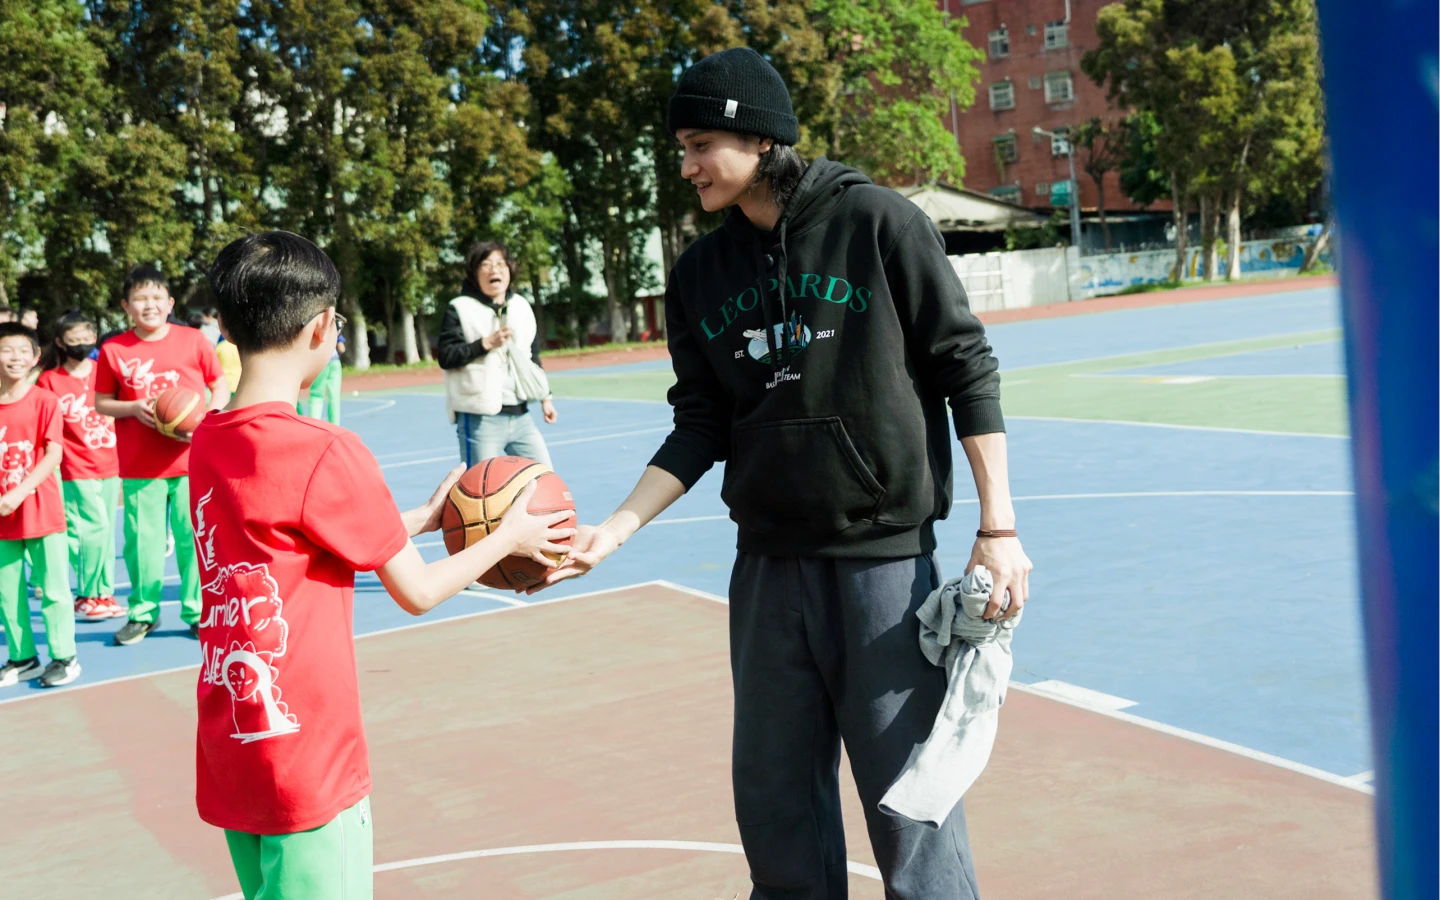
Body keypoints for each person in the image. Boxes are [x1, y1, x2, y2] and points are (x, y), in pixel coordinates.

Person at [536, 48, 1033, 899]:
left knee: (911, 808)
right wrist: (613, 532)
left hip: (881, 565)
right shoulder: (699, 274)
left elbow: (966, 366)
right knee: (776, 811)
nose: (687, 166)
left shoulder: (876, 223)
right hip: (767, 568)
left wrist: (999, 529)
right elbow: (701, 423)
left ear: (761, 139)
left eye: (700, 145)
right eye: (682, 149)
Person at [194, 230, 573, 900]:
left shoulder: (209, 441)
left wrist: (415, 521)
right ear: (322, 329)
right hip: (307, 754)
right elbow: (419, 590)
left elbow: (288, 536)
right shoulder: (325, 448)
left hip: (234, 742)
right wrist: (507, 536)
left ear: (225, 325)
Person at [95, 265, 230, 645]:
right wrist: (133, 407)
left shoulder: (194, 340)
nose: (149, 305)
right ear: (126, 306)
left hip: (192, 461)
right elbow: (102, 402)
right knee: (142, 545)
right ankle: (143, 613)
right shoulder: (114, 350)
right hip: (141, 465)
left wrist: (207, 418)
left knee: (194, 541)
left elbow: (219, 385)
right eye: (140, 298)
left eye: (156, 297)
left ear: (170, 303)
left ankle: (198, 612)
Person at [0, 322, 80, 688]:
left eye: (22, 350)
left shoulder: (44, 401)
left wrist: (20, 492)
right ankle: (23, 657)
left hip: (40, 509)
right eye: (6, 350)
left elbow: (53, 454)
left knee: (54, 589)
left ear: (35, 358)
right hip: (3, 515)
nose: (14, 357)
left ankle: (65, 657)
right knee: (7, 591)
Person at [36, 311, 124, 622]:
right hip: (74, 464)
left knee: (106, 531)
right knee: (91, 530)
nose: (82, 344)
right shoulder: (49, 380)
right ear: (61, 343)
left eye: (87, 338)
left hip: (110, 461)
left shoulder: (104, 371)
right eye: (74, 340)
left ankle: (104, 592)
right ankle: (86, 595)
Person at [437, 241, 558, 467]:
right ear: (474, 273)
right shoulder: (460, 308)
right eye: (486, 265)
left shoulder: (521, 306)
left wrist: (546, 397)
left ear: (510, 270)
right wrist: (485, 344)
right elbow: (446, 356)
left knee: (543, 477)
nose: (495, 270)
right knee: (481, 485)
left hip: (521, 417)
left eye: (501, 264)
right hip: (480, 419)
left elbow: (532, 357)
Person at [300, 329, 343, 424]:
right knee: (334, 396)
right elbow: (342, 348)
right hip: (335, 361)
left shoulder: (313, 327)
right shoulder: (333, 326)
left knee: (316, 395)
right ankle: (335, 425)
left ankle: (314, 423)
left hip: (321, 362)